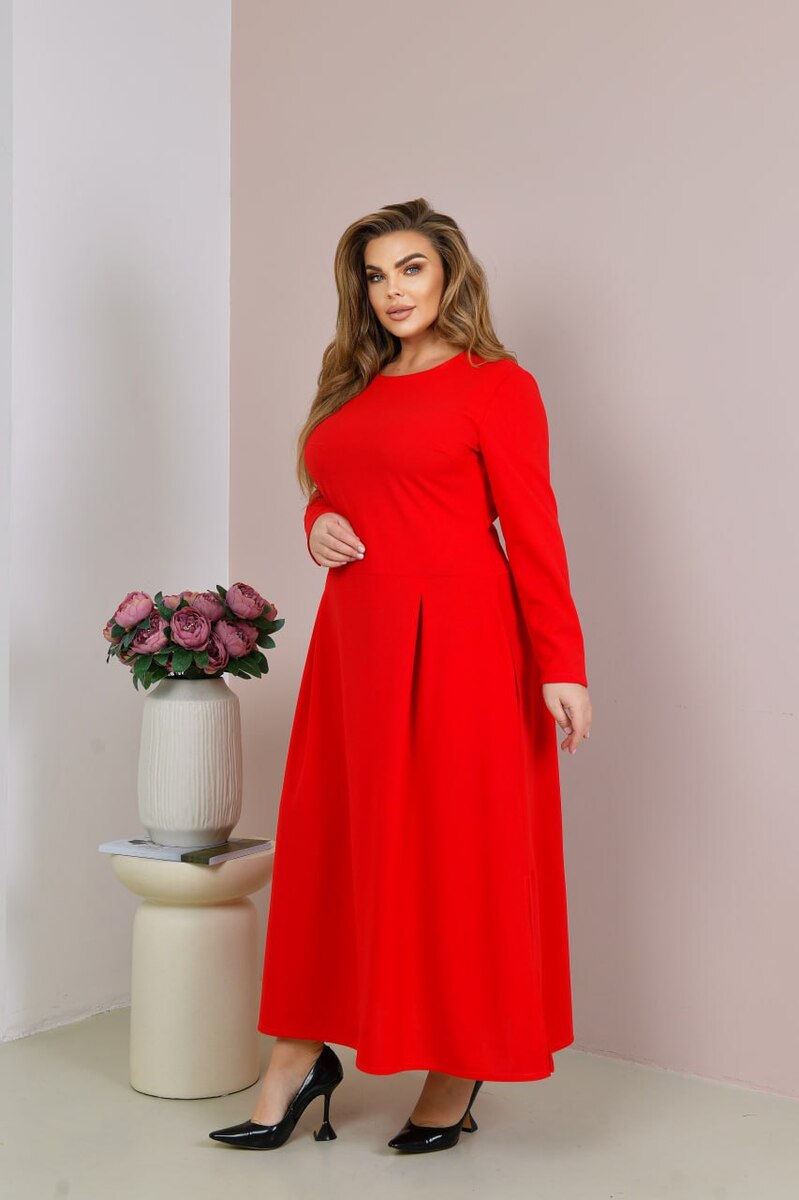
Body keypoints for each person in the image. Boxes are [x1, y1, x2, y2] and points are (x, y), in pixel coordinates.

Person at [209, 197, 592, 1155]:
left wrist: (562, 665)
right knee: (334, 848)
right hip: (356, 645)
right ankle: (297, 1058)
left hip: (463, 644)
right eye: (376, 276)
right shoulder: (351, 380)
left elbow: (532, 531)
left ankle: (455, 1067)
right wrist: (316, 524)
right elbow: (337, 487)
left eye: (411, 268)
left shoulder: (498, 385)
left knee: (455, 853)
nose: (392, 291)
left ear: (450, 273)